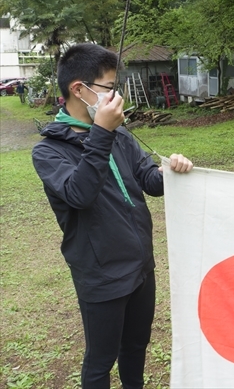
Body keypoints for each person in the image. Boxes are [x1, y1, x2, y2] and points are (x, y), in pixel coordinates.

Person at [31, 43, 193, 388]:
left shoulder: (118, 134)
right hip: (101, 275)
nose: (115, 96)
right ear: (79, 89)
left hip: (140, 266)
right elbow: (80, 194)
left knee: (135, 347)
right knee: (101, 361)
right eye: (108, 87)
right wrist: (101, 133)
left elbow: (148, 180)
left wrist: (170, 172)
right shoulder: (49, 150)